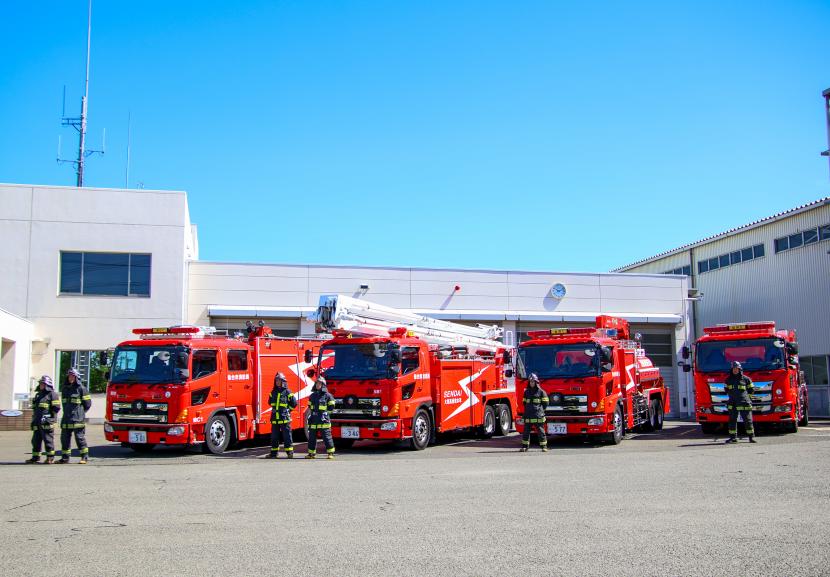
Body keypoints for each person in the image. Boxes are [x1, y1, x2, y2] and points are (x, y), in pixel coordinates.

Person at [58, 368, 92, 464]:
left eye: (72, 376)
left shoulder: (81, 388)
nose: (70, 377)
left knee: (79, 438)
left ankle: (84, 457)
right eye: (69, 376)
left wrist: (80, 412)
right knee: (64, 439)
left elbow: (88, 404)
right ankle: (65, 458)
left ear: (76, 377)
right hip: (66, 418)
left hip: (78, 419)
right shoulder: (65, 388)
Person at [26, 375, 61, 464]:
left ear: (47, 384)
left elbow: (56, 408)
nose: (41, 385)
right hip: (37, 422)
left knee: (48, 440)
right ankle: (35, 457)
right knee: (35, 441)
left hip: (47, 422)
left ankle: (50, 458)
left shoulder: (53, 394)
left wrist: (49, 418)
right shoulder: (38, 395)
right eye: (40, 383)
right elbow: (35, 408)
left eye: (43, 383)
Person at [267, 372, 297, 459]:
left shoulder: (287, 392)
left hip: (284, 418)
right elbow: (269, 402)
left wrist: (288, 410)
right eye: (276, 380)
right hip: (275, 419)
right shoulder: (273, 392)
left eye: (279, 380)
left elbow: (294, 403)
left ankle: (289, 452)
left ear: (283, 381)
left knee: (287, 436)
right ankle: (274, 453)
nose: (277, 381)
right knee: (274, 436)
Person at [725, 361, 756, 444]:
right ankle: (733, 438)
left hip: (744, 403)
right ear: (731, 369)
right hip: (732, 403)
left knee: (748, 420)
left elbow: (751, 390)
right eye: (734, 369)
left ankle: (751, 437)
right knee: (732, 421)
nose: (735, 370)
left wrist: (746, 399)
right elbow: (726, 390)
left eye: (736, 368)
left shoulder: (746, 379)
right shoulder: (728, 380)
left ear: (740, 369)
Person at [306, 376, 336, 459]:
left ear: (323, 385)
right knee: (311, 438)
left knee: (327, 437)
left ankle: (330, 453)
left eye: (319, 383)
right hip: (313, 419)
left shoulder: (328, 396)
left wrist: (325, 414)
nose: (317, 385)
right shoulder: (312, 396)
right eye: (316, 383)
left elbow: (331, 408)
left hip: (323, 420)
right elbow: (310, 407)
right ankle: (311, 454)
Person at [520, 373, 549, 452]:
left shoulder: (541, 392)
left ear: (536, 382)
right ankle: (525, 446)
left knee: (541, 432)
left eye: (533, 382)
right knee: (526, 432)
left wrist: (540, 411)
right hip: (528, 415)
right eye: (530, 382)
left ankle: (544, 447)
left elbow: (545, 404)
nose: (531, 383)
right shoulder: (526, 392)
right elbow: (524, 403)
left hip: (538, 416)